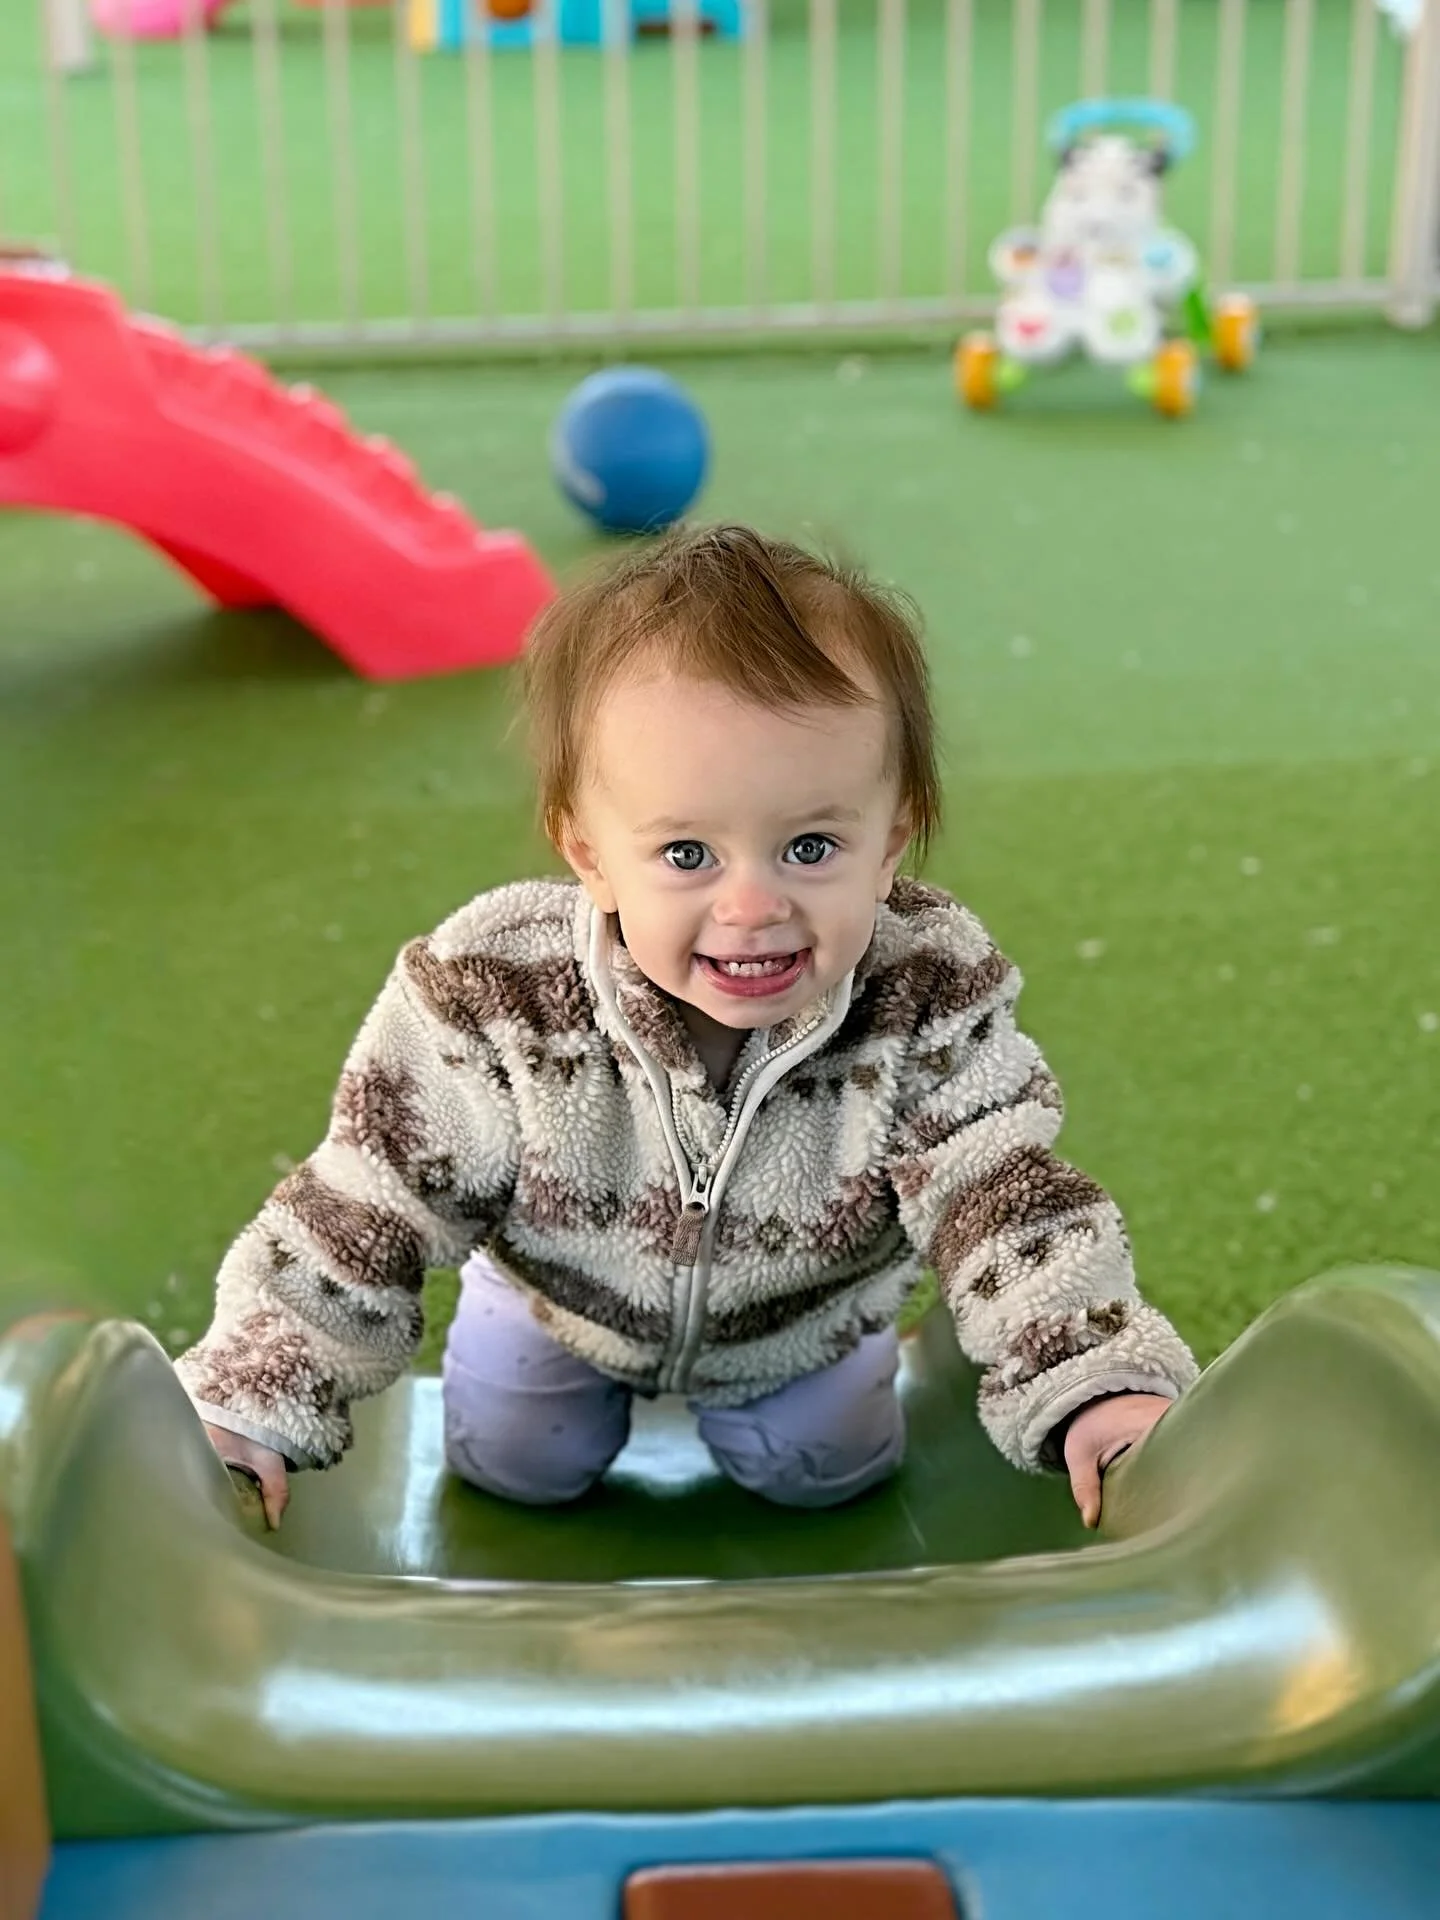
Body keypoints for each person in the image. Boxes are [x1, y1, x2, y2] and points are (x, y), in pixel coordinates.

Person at [179, 523, 1196, 1531]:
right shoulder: (495, 992)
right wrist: (252, 1392)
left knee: (824, 1477)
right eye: (686, 856)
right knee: (517, 1470)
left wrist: (1094, 1378)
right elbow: (370, 1199)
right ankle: (522, 1358)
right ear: (589, 852)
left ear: (889, 846)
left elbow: (1005, 1194)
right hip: (563, 1311)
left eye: (808, 846)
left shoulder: (924, 993)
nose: (752, 906)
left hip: (800, 1328)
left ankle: (806, 1394)